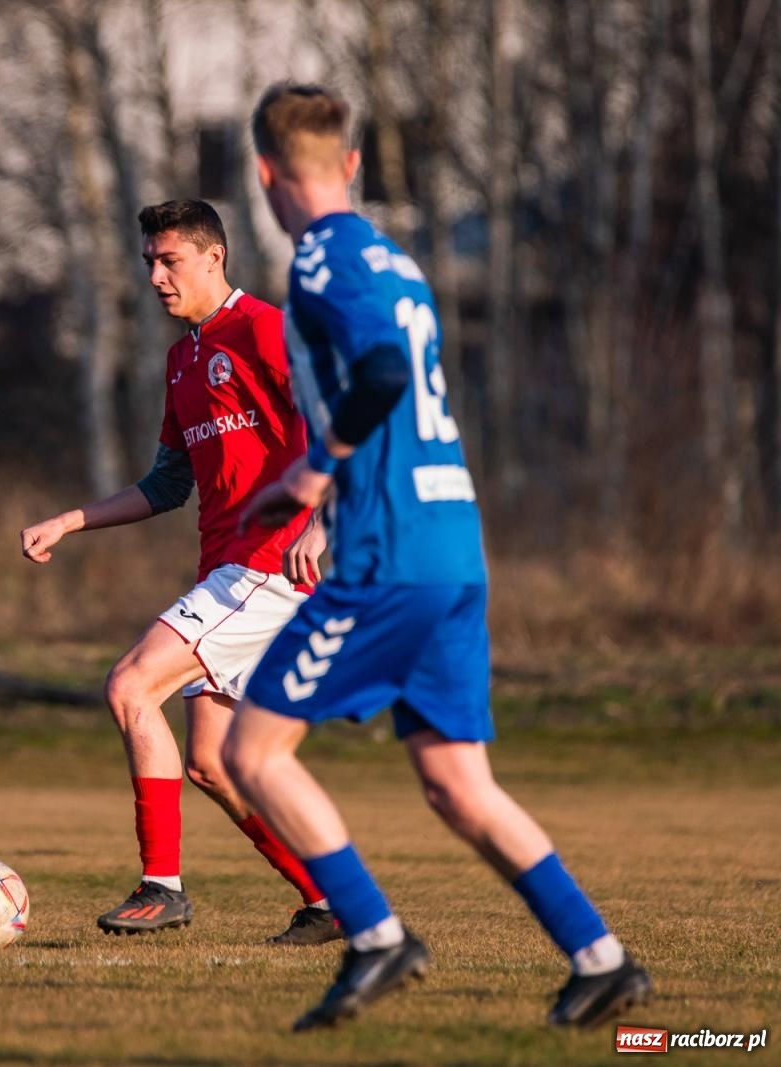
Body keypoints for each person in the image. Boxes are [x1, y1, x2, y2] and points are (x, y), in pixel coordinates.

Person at [221, 82, 652, 1030]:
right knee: (459, 783)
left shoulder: (324, 261)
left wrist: (315, 475)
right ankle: (600, 957)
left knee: (250, 749)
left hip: (394, 555)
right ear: (353, 164)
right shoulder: (398, 260)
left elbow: (377, 372)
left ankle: (375, 935)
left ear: (262, 174)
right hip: (455, 545)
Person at [21, 199, 337, 944]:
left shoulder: (263, 328)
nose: (156, 277)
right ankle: (330, 900)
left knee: (131, 685)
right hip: (229, 572)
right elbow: (167, 485)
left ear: (214, 257)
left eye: (170, 261)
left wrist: (323, 524)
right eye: (148, 263)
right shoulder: (182, 360)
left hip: (268, 567)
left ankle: (161, 886)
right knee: (212, 764)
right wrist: (70, 520)